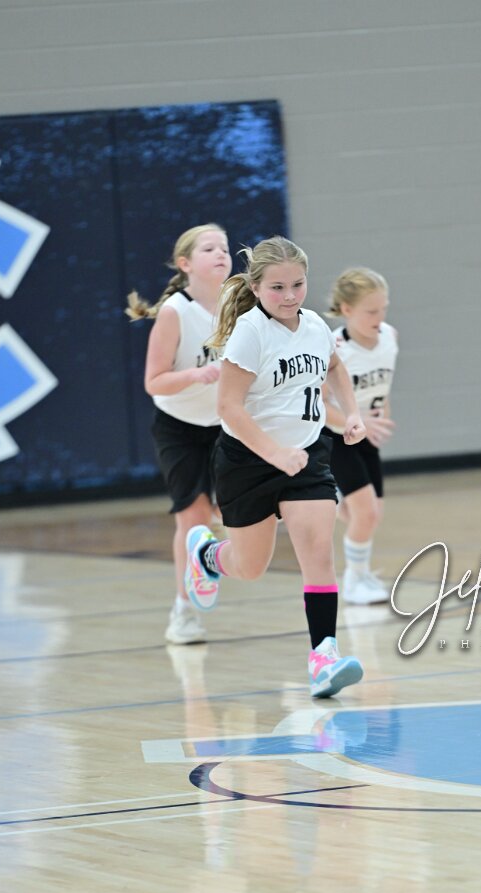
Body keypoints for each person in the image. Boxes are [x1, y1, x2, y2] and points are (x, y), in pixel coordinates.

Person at [183, 236, 367, 698]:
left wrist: (352, 413)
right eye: (277, 288)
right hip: (247, 462)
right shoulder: (251, 332)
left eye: (297, 285)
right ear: (256, 288)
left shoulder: (315, 326)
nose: (289, 296)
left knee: (319, 553)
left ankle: (323, 656)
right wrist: (273, 454)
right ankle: (206, 556)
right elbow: (229, 407)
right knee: (249, 567)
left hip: (306, 456)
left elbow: (335, 367)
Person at [126, 223, 232, 644]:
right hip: (180, 428)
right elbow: (153, 382)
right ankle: (184, 612)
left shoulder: (240, 304)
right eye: (209, 248)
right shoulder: (175, 311)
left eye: (224, 247)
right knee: (192, 518)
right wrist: (194, 375)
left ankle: (213, 548)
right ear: (185, 263)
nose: (221, 253)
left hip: (227, 423)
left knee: (236, 511)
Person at [324, 268, 398, 604]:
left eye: (383, 308)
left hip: (366, 435)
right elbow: (319, 405)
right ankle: (355, 580)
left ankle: (334, 498)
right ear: (347, 309)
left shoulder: (390, 337)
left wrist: (383, 416)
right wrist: (357, 420)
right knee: (365, 514)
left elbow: (383, 385)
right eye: (371, 311)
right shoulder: (334, 347)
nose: (379, 317)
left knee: (371, 515)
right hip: (336, 436)